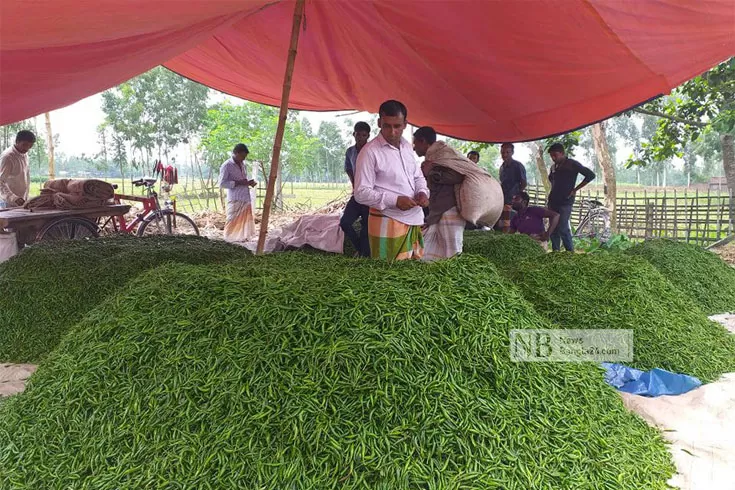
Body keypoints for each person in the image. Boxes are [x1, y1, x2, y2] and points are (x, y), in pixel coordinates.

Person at [354, 100, 429, 261]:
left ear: (405, 124)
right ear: (379, 123)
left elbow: (417, 177)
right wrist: (395, 201)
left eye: (397, 126)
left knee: (411, 274)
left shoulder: (407, 147)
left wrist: (422, 192)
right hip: (387, 221)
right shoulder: (370, 152)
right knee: (388, 276)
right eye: (387, 126)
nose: (392, 132)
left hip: (413, 219)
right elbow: (360, 193)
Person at [413, 126, 465, 261]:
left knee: (452, 252)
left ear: (423, 141)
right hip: (438, 212)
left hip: (450, 210)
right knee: (432, 248)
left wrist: (431, 172)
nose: (414, 148)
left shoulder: (442, 157)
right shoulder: (431, 160)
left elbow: (458, 176)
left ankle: (453, 280)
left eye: (415, 143)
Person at [547, 142, 595, 251]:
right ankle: (555, 252)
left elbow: (590, 175)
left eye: (555, 155)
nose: (553, 158)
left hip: (566, 201)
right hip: (553, 201)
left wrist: (575, 189)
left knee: (563, 228)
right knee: (553, 228)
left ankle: (570, 253)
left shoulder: (572, 164)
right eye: (551, 156)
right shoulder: (553, 167)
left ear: (562, 153)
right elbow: (551, 180)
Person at [340, 122, 371, 257]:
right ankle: (359, 248)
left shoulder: (371, 150)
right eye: (358, 135)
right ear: (354, 134)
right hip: (357, 193)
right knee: (345, 222)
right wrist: (354, 183)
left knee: (366, 225)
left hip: (370, 195)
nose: (360, 138)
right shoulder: (350, 152)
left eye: (364, 135)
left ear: (368, 136)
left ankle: (364, 253)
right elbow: (348, 168)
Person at [218, 143, 257, 242]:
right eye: (242, 156)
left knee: (245, 221)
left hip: (244, 196)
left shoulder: (243, 164)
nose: (243, 159)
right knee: (231, 220)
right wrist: (238, 183)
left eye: (245, 157)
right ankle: (228, 240)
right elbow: (222, 183)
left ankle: (242, 239)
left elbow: (243, 179)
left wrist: (248, 182)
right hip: (235, 197)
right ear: (236, 153)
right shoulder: (227, 165)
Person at [0, 130, 35, 208]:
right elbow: (0, 182)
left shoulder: (25, 155)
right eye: (24, 145)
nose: (27, 148)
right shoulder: (8, 157)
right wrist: (13, 198)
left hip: (22, 201)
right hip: (8, 203)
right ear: (17, 141)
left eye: (30, 146)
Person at [497, 143, 527, 233]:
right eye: (502, 152)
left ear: (512, 152)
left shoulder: (518, 166)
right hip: (503, 198)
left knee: (509, 224)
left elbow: (524, 183)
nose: (504, 154)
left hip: (512, 200)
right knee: (502, 223)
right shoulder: (502, 167)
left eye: (507, 152)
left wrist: (516, 194)